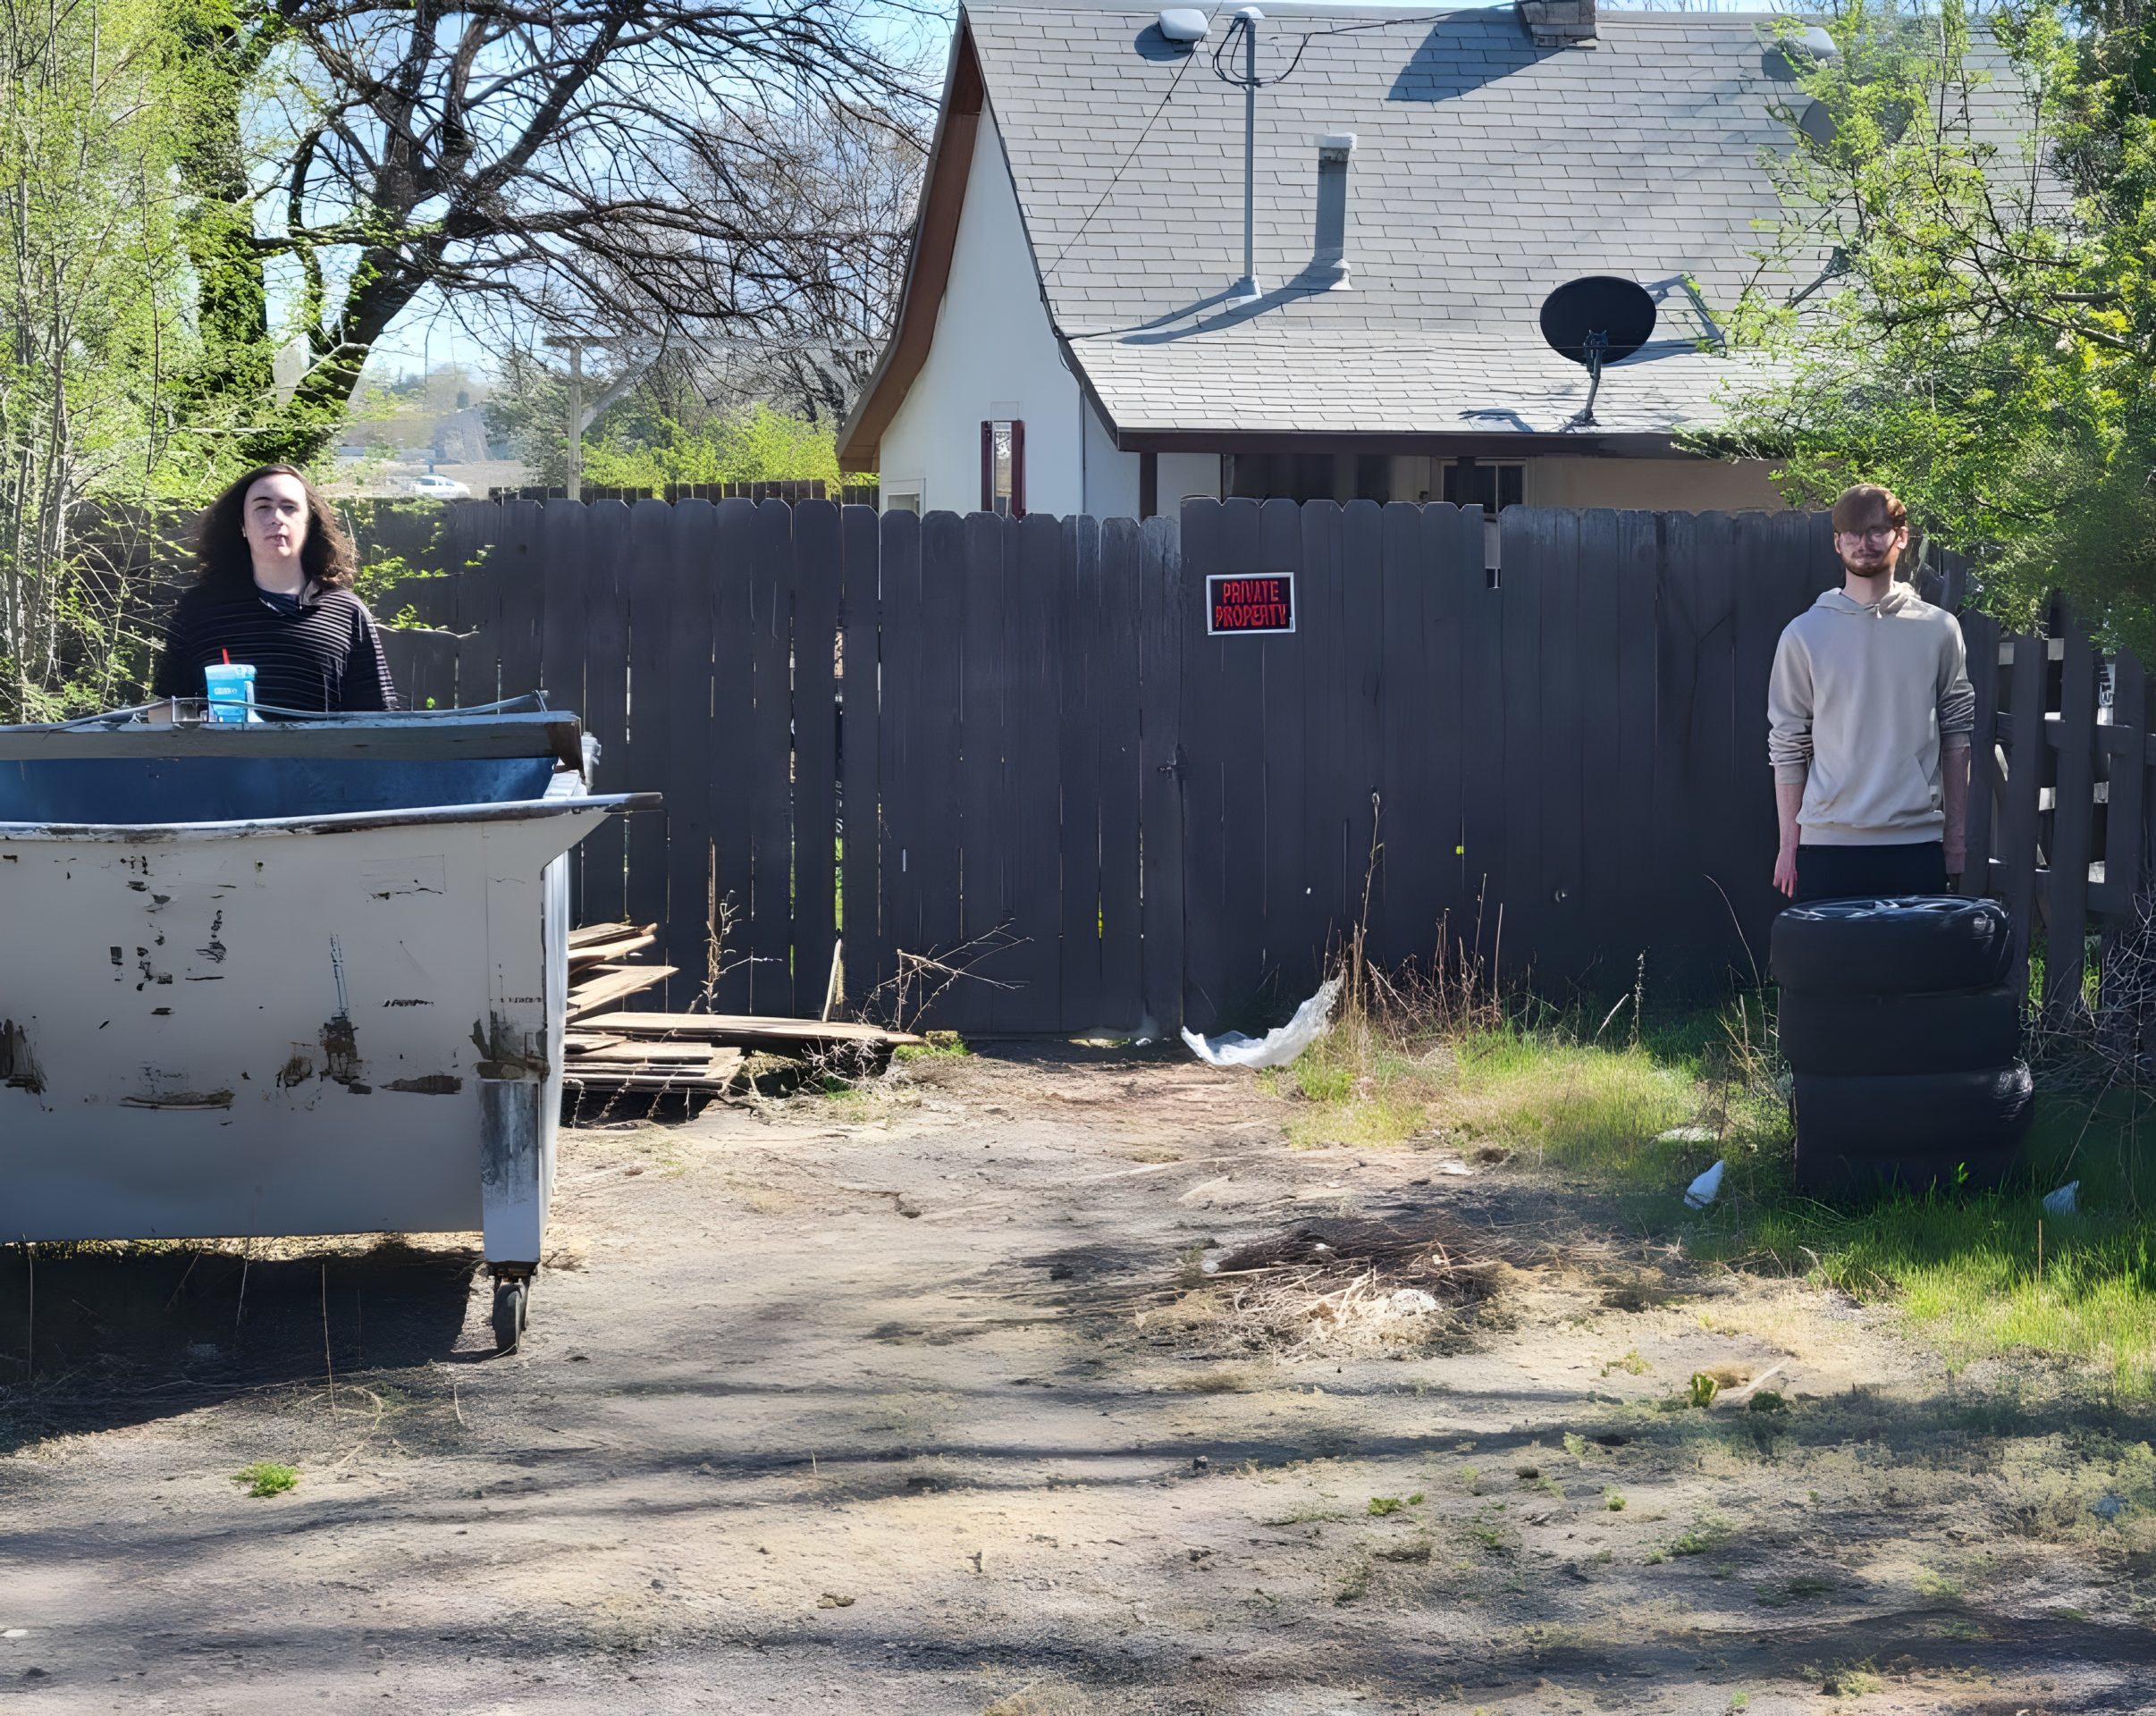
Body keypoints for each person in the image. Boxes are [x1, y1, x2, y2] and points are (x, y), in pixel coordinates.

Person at [1768, 483, 1975, 903]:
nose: (1864, 543)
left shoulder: (1938, 629)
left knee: (1913, 971)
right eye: (1851, 532)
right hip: (1826, 846)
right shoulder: (1803, 634)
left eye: (1877, 530)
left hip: (1916, 844)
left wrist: (1955, 837)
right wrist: (1788, 846)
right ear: (1836, 542)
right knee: (1831, 971)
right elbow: (1788, 745)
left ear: (1901, 536)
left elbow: (1957, 737)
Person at [152, 464, 399, 714]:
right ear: (242, 526)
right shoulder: (200, 609)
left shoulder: (346, 611)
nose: (276, 518)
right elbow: (165, 714)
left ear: (309, 523)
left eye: (289, 507)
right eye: (263, 507)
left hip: (319, 754)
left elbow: (376, 719)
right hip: (224, 755)